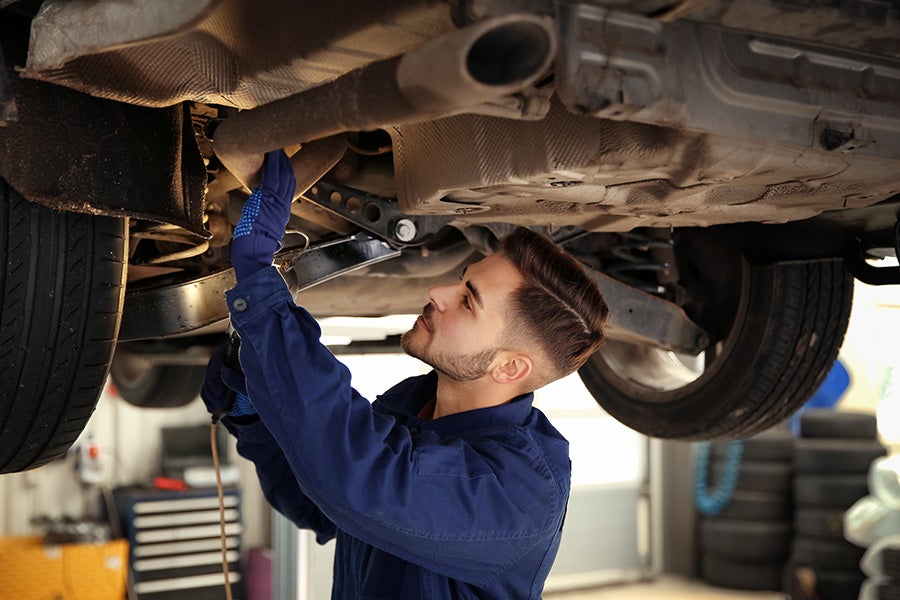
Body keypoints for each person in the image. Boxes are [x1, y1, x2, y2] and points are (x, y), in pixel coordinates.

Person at [201, 149, 610, 599]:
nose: (437, 292)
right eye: (459, 279)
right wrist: (254, 416)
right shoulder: (411, 411)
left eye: (467, 300)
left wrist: (261, 285)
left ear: (509, 366)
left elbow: (354, 476)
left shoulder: (519, 495)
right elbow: (322, 504)